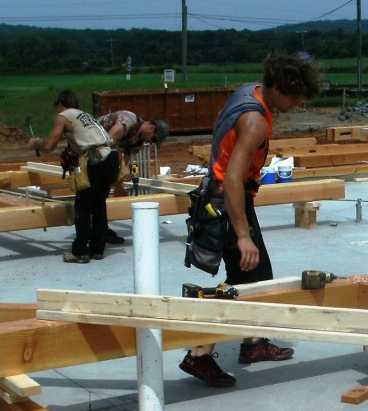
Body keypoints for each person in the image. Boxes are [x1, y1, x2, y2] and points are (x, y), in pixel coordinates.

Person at [178, 52, 321, 388]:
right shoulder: (255, 121)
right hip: (228, 202)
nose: (297, 103)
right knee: (243, 280)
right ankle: (198, 354)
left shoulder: (249, 92)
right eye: (294, 96)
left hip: (229, 198)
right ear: (277, 88)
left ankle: (252, 344)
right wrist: (243, 236)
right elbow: (231, 179)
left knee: (257, 276)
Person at [29, 90, 120, 263]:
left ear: (61, 104)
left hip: (96, 159)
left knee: (83, 207)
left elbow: (49, 146)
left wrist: (36, 143)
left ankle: (80, 252)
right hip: (111, 157)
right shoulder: (85, 116)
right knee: (99, 204)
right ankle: (97, 249)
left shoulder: (63, 116)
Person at [96, 110, 170, 243]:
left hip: (103, 159)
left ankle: (100, 230)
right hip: (93, 148)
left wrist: (118, 182)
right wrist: (121, 169)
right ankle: (94, 232)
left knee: (102, 195)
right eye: (153, 139)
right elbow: (107, 143)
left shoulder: (138, 141)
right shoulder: (128, 120)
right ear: (151, 128)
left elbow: (125, 158)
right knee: (93, 194)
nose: (151, 143)